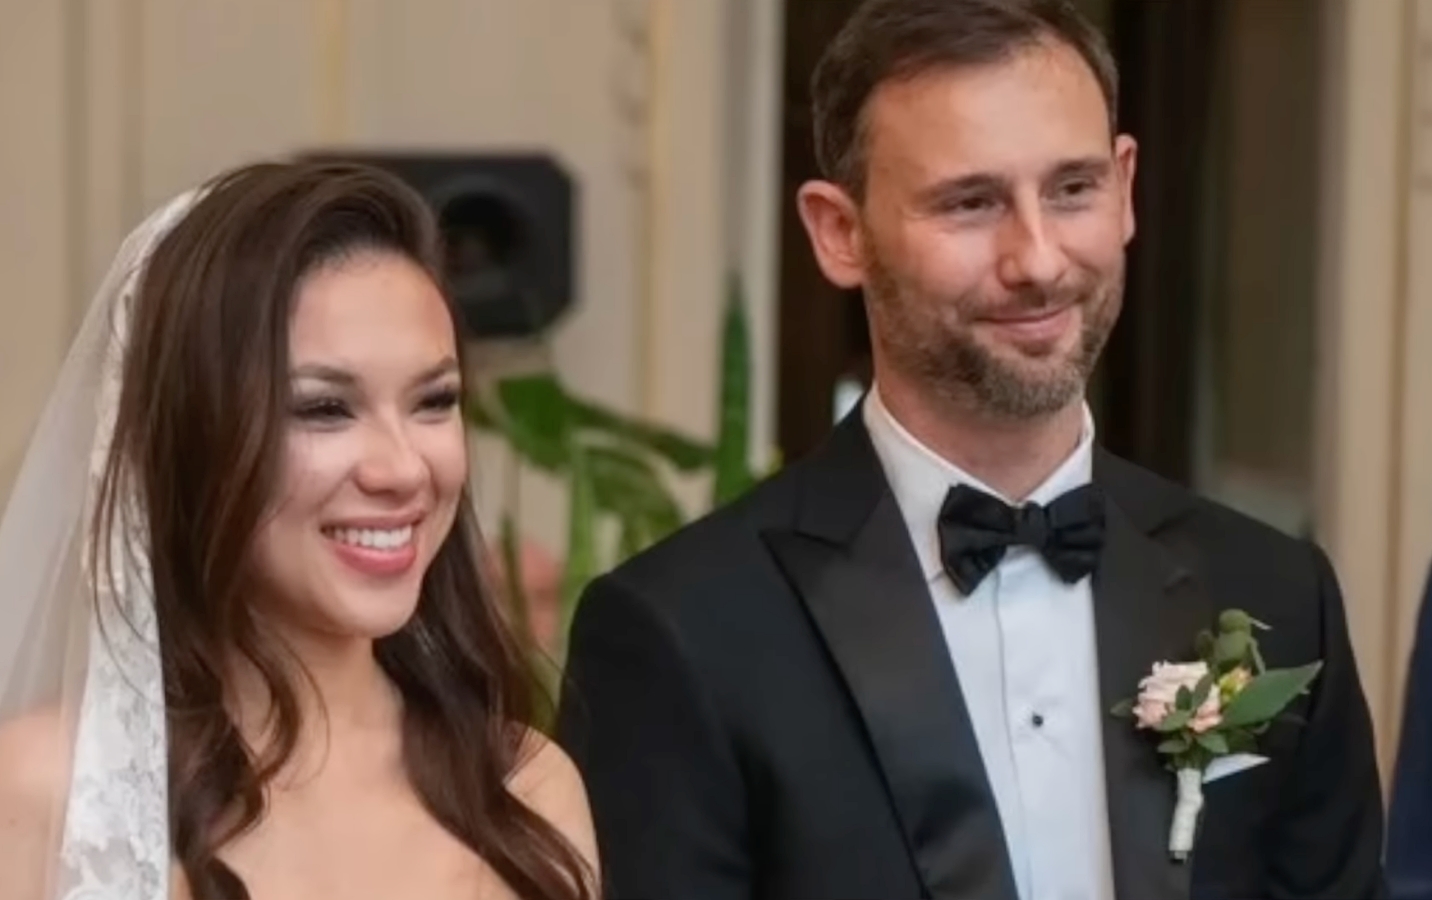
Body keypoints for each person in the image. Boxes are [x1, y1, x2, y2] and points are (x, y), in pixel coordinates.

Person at [555, 1, 1385, 898]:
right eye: (971, 203)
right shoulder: (682, 632)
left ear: (1126, 186)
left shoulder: (1275, 593)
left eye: (1072, 189)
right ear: (839, 232)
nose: (1038, 260)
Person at [0, 161, 598, 899]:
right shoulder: (50, 792)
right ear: (196, 438)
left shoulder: (525, 790)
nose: (402, 468)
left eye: (434, 401)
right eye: (324, 409)